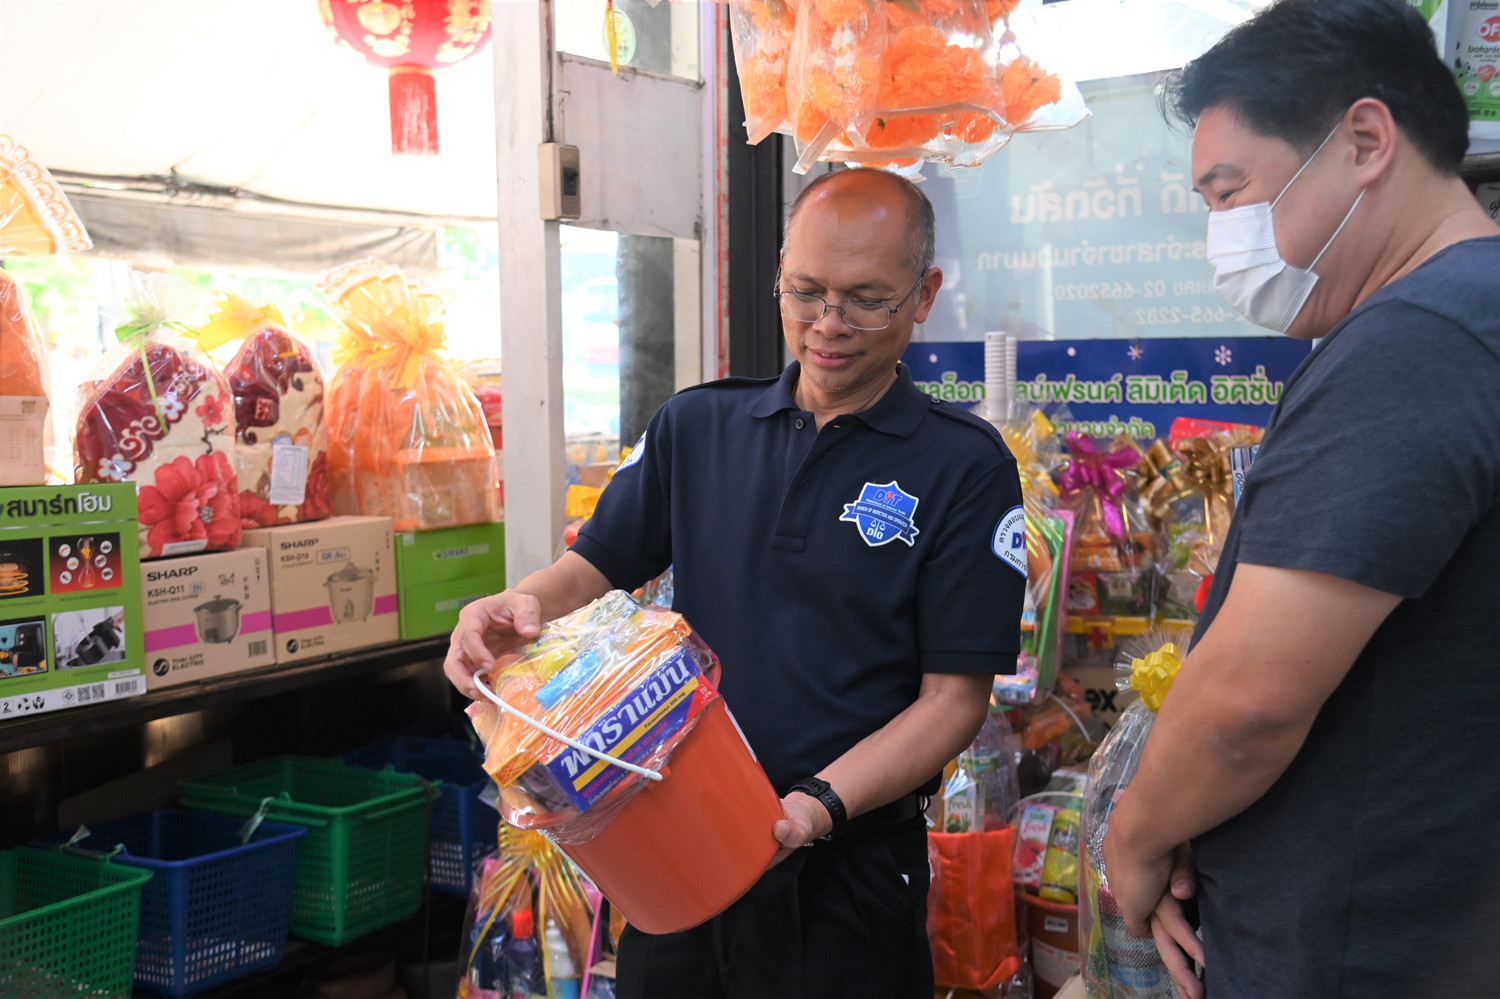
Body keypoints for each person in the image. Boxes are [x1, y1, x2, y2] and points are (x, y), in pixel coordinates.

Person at [445, 167, 1026, 997]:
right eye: (806, 291)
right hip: (672, 852)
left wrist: (819, 803)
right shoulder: (699, 424)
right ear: (780, 269)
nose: (829, 324)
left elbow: (953, 699)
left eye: (867, 299)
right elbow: (594, 567)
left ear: (924, 294)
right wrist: (518, 605)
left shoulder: (963, 466)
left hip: (846, 872)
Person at [1100, 0, 1500, 995]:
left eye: (1230, 192)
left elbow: (1251, 703)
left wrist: (1137, 835)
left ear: (1365, 141)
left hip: (1360, 949)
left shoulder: (1416, 345)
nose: (1221, 235)